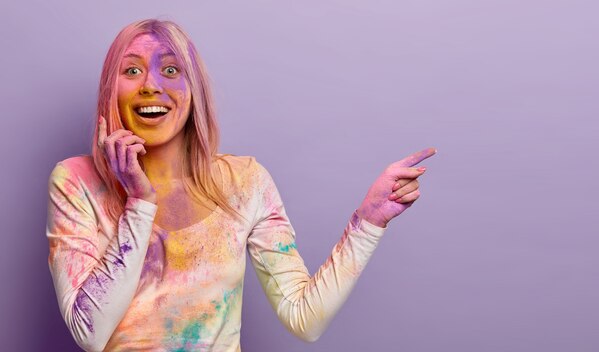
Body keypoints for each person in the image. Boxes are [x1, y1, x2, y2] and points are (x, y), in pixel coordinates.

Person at [46, 18, 437, 352]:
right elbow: (90, 334)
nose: (150, 85)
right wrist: (139, 202)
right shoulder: (76, 182)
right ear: (109, 91)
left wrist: (368, 223)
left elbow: (305, 318)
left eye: (170, 70)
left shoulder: (244, 182)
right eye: (131, 71)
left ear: (193, 89)